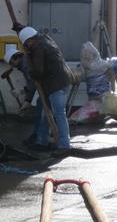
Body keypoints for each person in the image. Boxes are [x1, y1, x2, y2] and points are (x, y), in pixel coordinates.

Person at [19, 26, 73, 157]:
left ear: (29, 41)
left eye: (26, 44)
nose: (26, 47)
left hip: (56, 84)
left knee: (59, 114)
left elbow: (38, 71)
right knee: (46, 113)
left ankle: (64, 145)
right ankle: (42, 141)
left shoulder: (38, 47)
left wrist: (31, 72)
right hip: (60, 81)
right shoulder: (45, 39)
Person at [4, 48, 38, 146]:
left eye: (12, 62)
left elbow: (33, 84)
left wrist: (23, 94)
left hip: (50, 88)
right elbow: (31, 84)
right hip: (44, 88)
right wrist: (27, 100)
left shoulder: (26, 65)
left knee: (43, 115)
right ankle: (37, 137)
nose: (13, 66)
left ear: (16, 57)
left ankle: (40, 138)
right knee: (41, 115)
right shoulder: (24, 64)